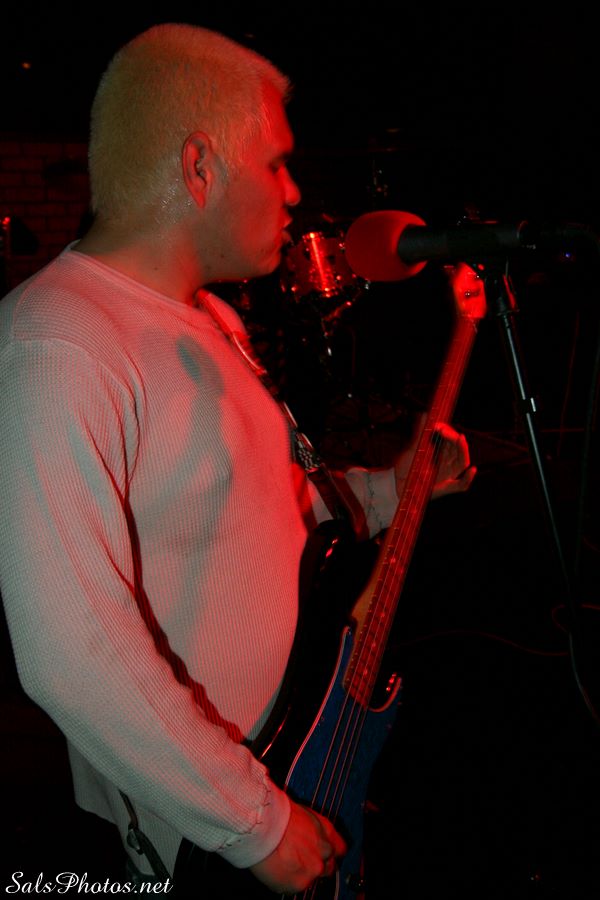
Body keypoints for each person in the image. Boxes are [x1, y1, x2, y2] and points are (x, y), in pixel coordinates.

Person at [0, 23, 475, 895]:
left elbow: (277, 509)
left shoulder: (212, 319)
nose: (294, 192)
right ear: (199, 166)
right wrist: (252, 823)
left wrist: (390, 489)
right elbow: (69, 646)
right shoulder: (59, 340)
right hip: (202, 836)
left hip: (296, 761)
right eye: (278, 164)